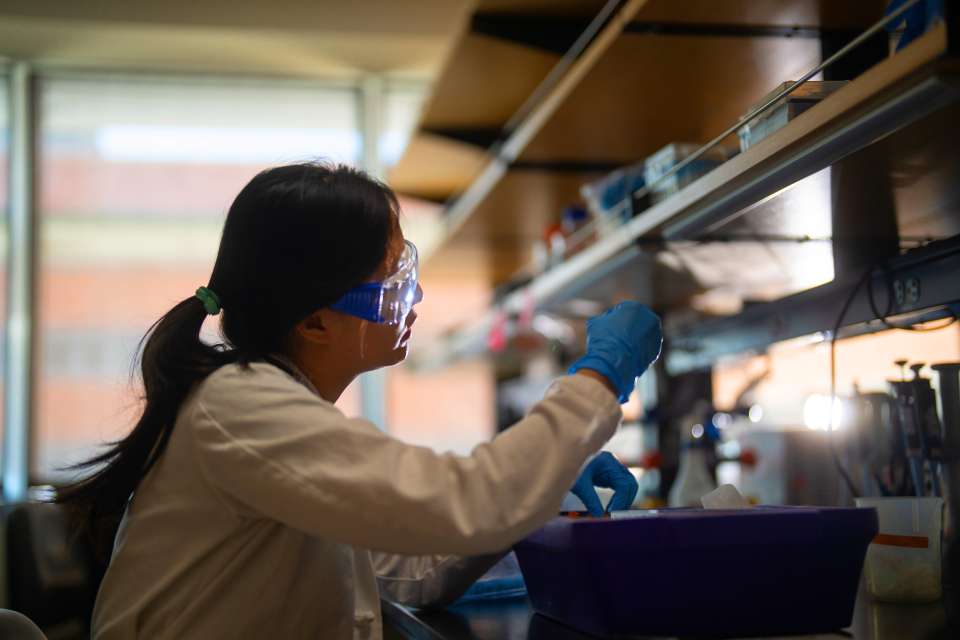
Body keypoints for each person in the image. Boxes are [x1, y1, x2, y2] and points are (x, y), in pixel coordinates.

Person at [56, 162, 662, 639]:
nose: (414, 297)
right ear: (316, 323)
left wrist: (545, 487)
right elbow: (470, 500)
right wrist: (601, 375)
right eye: (393, 282)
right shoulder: (243, 410)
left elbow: (408, 571)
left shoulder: (265, 404)